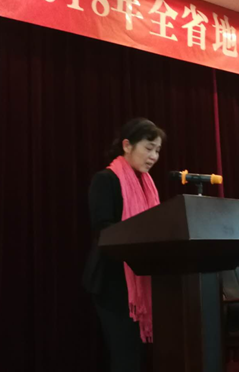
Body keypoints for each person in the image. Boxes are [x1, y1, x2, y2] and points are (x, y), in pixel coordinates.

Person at [82, 118, 165, 371]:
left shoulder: (147, 185)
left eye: (157, 151)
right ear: (127, 145)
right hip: (113, 282)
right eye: (148, 148)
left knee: (140, 356)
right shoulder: (105, 180)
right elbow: (104, 230)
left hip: (142, 277)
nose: (153, 157)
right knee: (125, 356)